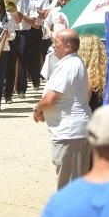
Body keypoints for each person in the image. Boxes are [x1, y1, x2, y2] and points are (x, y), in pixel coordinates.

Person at [34, 29, 92, 190]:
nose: (53, 47)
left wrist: (37, 109)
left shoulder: (68, 65)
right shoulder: (75, 62)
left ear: (67, 45)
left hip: (70, 133)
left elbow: (51, 98)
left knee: (69, 188)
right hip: (75, 132)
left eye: (56, 43)